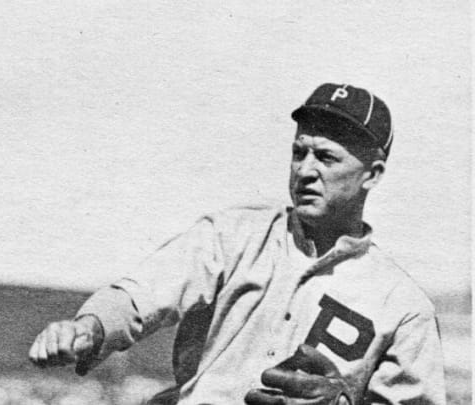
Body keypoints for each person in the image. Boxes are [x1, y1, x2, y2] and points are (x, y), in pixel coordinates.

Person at [29, 83, 445, 405]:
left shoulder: (403, 306)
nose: (305, 170)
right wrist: (90, 326)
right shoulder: (233, 235)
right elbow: (143, 295)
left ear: (371, 175)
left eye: (326, 157)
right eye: (299, 152)